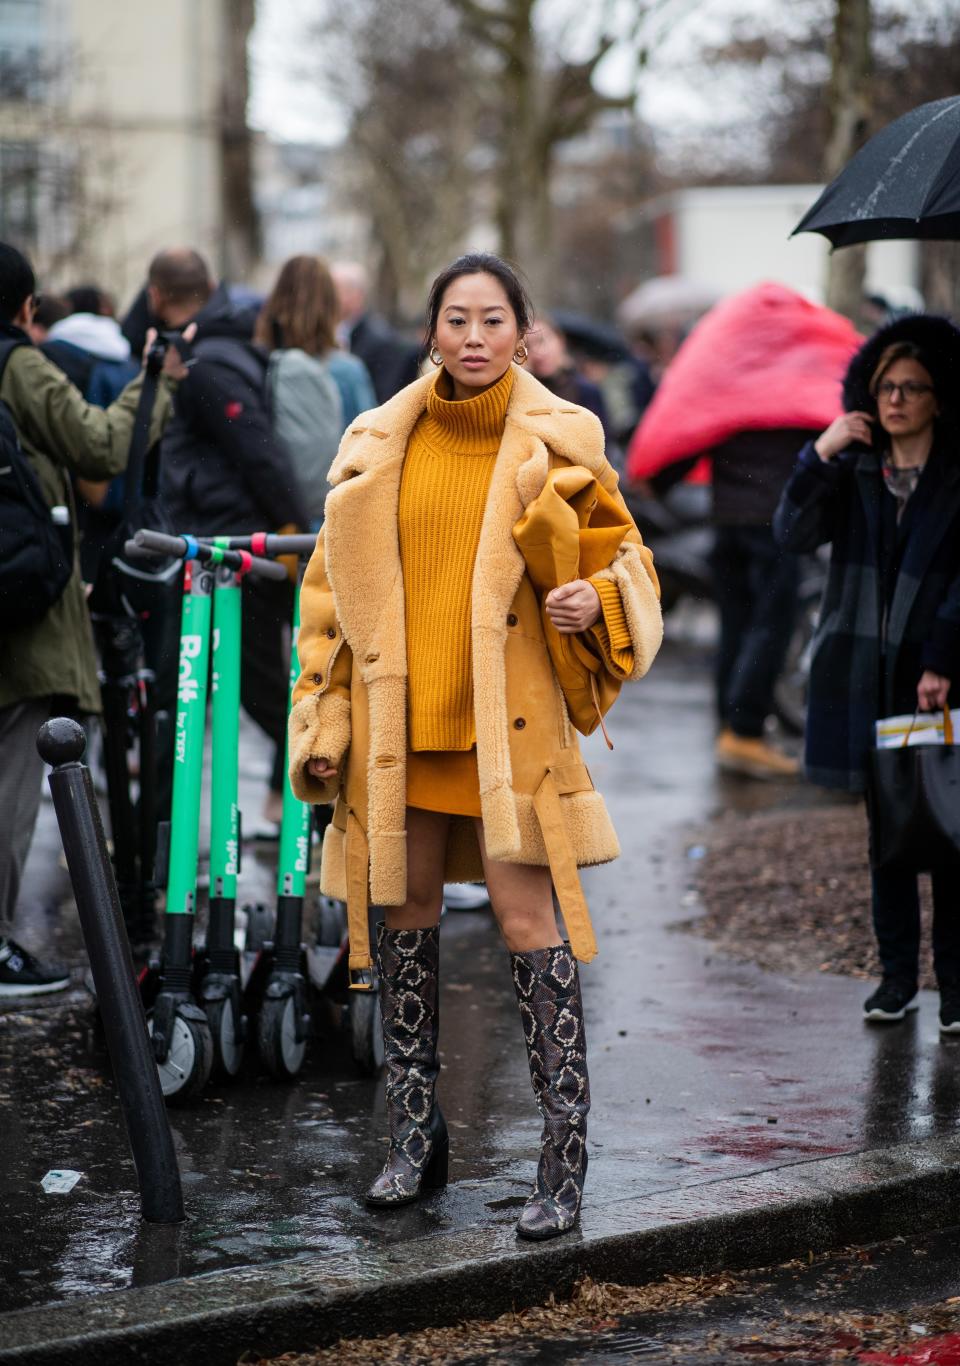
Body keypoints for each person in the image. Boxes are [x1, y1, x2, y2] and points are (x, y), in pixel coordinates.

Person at [288, 253, 663, 1238]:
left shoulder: (560, 438)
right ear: (431, 332)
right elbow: (326, 607)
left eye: (494, 319)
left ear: (523, 332)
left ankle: (562, 1157)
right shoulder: (376, 443)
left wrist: (594, 598)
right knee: (402, 924)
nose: (474, 337)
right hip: (397, 734)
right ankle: (415, 1138)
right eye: (457, 319)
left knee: (527, 923)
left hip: (511, 733)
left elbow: (628, 558)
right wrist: (321, 727)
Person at [0, 242, 185, 995]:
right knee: (10, 782)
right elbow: (102, 447)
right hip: (17, 613)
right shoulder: (17, 363)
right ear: (26, 309)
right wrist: (156, 382)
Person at [774, 314, 960, 1032]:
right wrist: (819, 451)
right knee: (888, 830)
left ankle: (955, 984)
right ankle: (896, 980)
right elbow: (790, 534)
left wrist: (944, 655)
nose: (897, 400)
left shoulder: (956, 475)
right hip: (867, 671)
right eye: (886, 386)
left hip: (939, 669)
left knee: (949, 830)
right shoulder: (853, 468)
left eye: (912, 388)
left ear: (937, 398)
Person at [153, 247, 308, 829]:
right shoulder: (214, 352)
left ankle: (342, 818)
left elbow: (259, 453)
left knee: (263, 696)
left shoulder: (208, 365)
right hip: (227, 549)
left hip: (231, 555)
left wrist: (290, 532)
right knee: (240, 694)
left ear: (156, 297)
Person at [254, 254, 376, 530]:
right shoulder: (346, 370)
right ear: (330, 306)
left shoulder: (261, 364)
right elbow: (369, 448)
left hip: (275, 519)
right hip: (330, 518)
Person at [331, 261, 421, 405]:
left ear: (357, 295)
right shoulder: (342, 332)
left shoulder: (378, 341)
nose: (328, 298)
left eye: (334, 291)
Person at [526, 315, 612, 436]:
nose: (537, 352)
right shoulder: (525, 395)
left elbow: (603, 441)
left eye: (541, 341)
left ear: (560, 341)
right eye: (527, 346)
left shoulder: (587, 390)